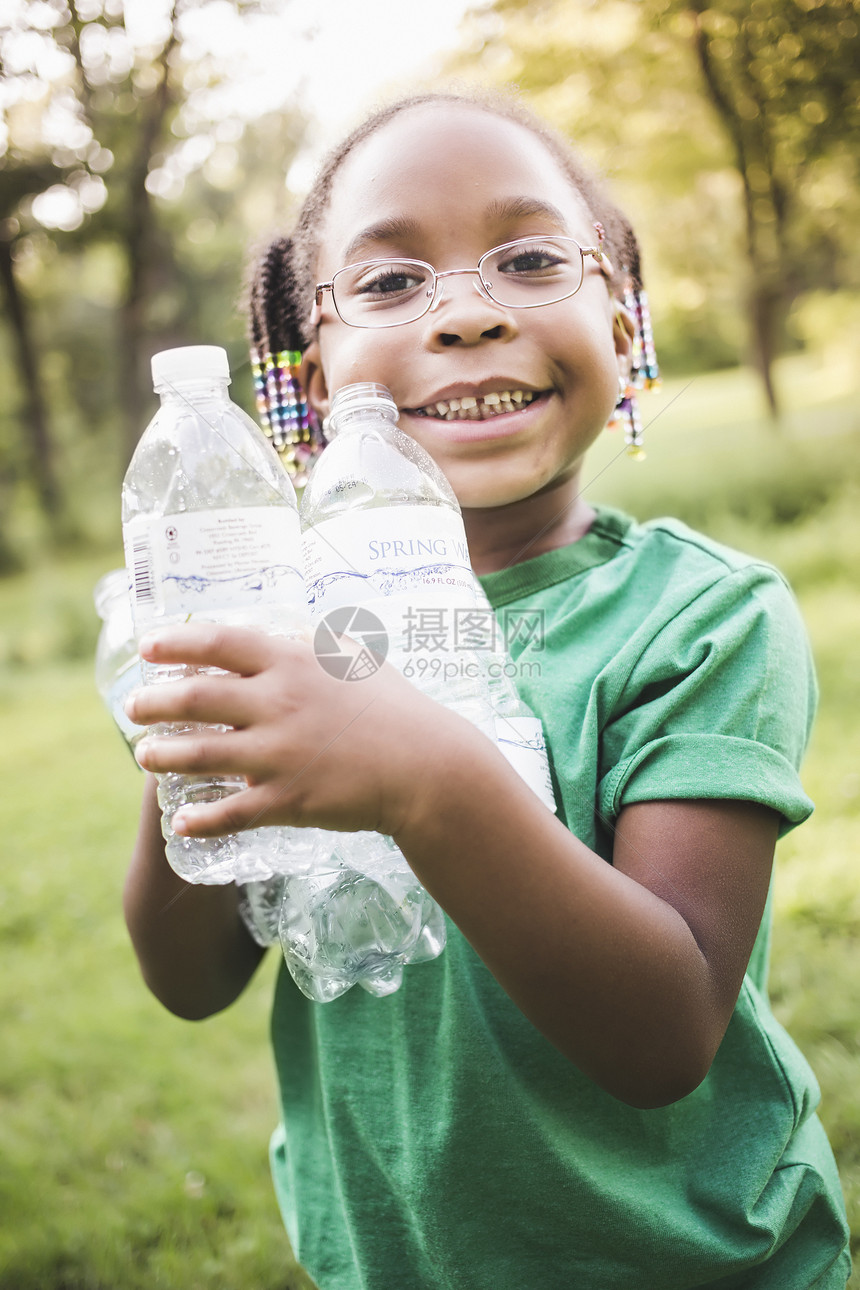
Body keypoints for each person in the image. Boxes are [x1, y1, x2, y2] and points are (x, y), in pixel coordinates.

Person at [122, 90, 851, 1289]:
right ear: (308, 375)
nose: (463, 315)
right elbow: (187, 979)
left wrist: (425, 778)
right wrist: (204, 724)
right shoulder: (289, 632)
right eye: (392, 281)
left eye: (525, 259)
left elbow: (662, 1034)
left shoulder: (700, 618)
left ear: (625, 331)